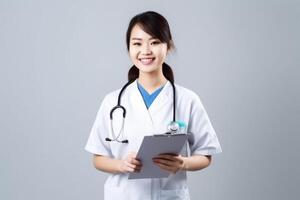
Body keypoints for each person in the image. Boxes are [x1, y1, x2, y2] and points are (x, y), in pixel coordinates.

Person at [85, 11, 222, 200]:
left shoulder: (187, 100)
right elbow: (98, 158)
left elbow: (206, 155)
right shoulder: (112, 102)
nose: (146, 50)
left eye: (155, 42)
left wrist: (182, 163)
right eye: (137, 43)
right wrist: (121, 165)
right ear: (129, 48)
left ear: (168, 46)